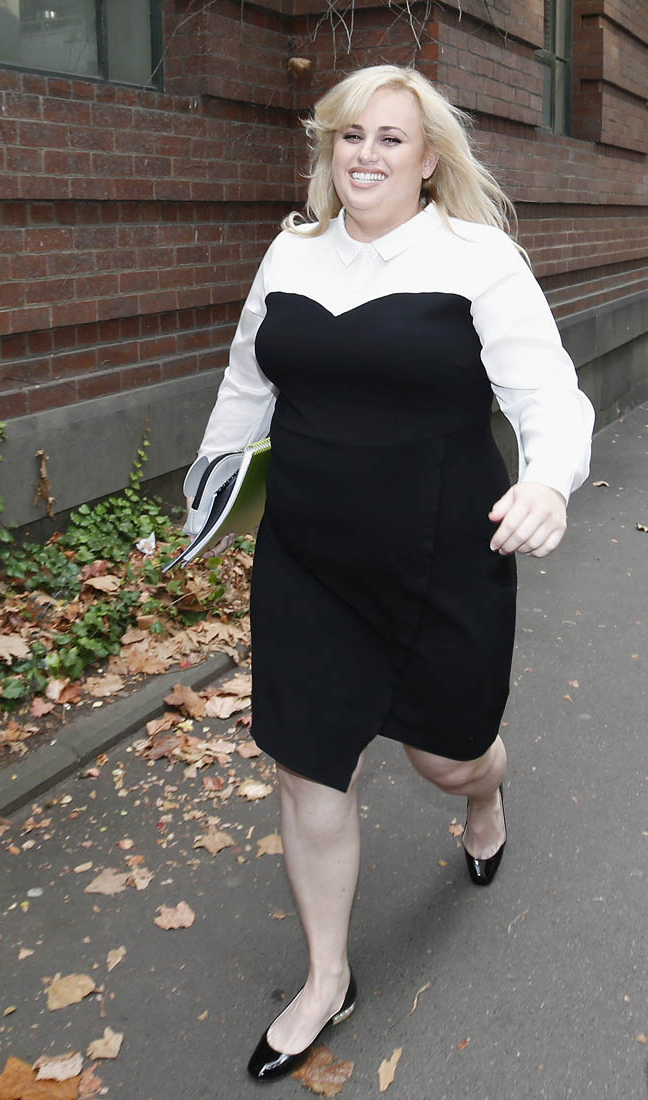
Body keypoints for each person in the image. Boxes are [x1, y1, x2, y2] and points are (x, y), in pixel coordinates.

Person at [182, 64, 594, 1081]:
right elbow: (245, 383)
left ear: (428, 160)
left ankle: (484, 794)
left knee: (444, 758)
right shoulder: (291, 251)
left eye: (389, 138)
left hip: (442, 557)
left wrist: (546, 481)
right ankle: (327, 977)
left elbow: (548, 395)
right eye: (348, 135)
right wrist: (206, 497)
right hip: (307, 558)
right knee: (308, 765)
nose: (364, 154)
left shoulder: (476, 258)